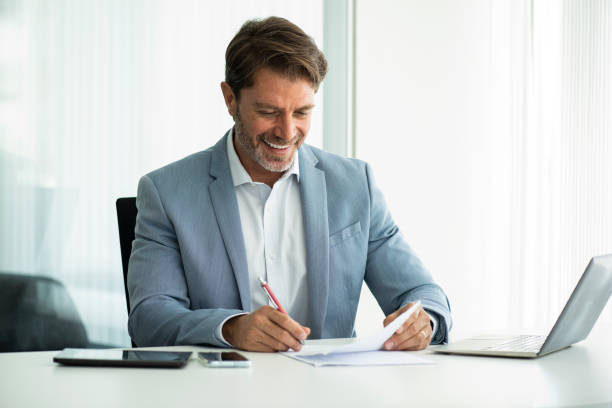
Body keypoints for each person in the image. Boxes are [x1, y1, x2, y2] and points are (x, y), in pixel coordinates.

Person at [127, 16, 451, 352]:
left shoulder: (355, 186)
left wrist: (423, 320)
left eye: (301, 112)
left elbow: (424, 293)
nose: (286, 131)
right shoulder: (167, 193)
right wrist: (231, 328)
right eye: (268, 111)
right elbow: (149, 317)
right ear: (229, 99)